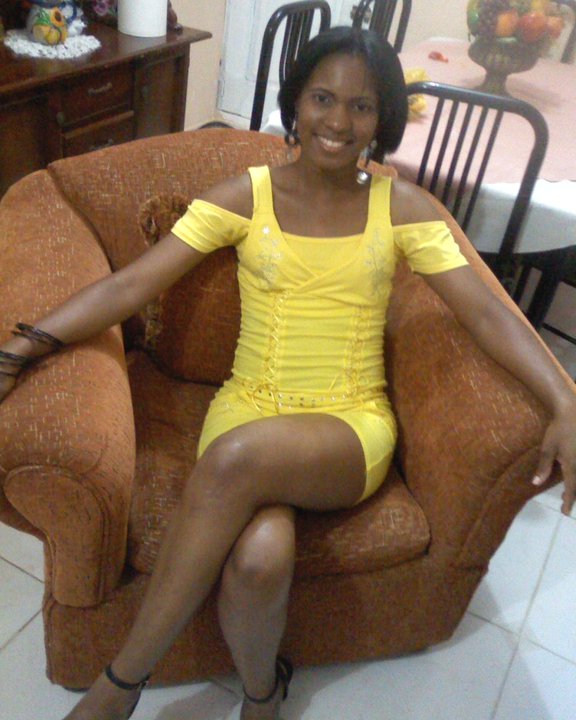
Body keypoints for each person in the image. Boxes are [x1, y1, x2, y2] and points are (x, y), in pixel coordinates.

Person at [0, 26, 575, 720]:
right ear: (296, 102)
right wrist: (21, 347)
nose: (339, 120)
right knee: (258, 560)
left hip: (348, 426)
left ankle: (119, 686)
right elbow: (131, 285)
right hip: (247, 405)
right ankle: (264, 694)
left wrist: (565, 396)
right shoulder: (248, 197)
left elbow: (486, 312)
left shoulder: (402, 207)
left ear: (383, 119)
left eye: (361, 106)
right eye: (323, 98)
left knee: (236, 460)